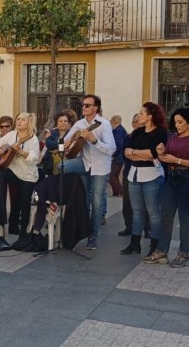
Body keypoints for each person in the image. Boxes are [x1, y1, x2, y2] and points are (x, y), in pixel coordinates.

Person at [148, 107, 189, 266]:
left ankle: (184, 254)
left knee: (185, 218)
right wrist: (160, 153)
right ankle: (162, 251)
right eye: (175, 122)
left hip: (188, 178)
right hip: (171, 177)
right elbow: (166, 158)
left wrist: (177, 160)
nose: (177, 125)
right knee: (166, 216)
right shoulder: (172, 138)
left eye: (180, 122)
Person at [63, 95, 116, 250]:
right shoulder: (79, 124)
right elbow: (67, 140)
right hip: (84, 163)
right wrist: (67, 143)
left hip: (100, 167)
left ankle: (93, 236)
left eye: (87, 105)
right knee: (62, 167)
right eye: (83, 105)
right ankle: (80, 229)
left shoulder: (104, 124)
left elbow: (111, 149)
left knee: (97, 202)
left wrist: (94, 140)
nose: (84, 107)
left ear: (96, 108)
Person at [121, 102, 169, 256]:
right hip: (134, 174)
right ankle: (134, 244)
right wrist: (141, 153)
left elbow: (153, 154)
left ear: (150, 116)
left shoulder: (161, 132)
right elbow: (126, 152)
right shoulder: (137, 132)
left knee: (153, 212)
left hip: (152, 175)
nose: (139, 116)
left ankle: (154, 245)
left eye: (142, 113)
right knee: (137, 211)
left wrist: (135, 152)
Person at [0, 112, 40, 248]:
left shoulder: (32, 138)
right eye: (18, 119)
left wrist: (21, 152)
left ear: (29, 123)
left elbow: (34, 159)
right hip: (13, 171)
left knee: (24, 204)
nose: (19, 122)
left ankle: (23, 235)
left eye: (23, 120)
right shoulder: (12, 134)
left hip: (27, 175)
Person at [110, 115, 126, 197]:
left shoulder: (118, 130)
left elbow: (118, 145)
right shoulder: (120, 129)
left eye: (111, 121)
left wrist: (113, 155)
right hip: (120, 157)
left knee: (111, 175)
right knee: (115, 175)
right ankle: (116, 192)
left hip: (117, 157)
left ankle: (121, 191)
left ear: (114, 121)